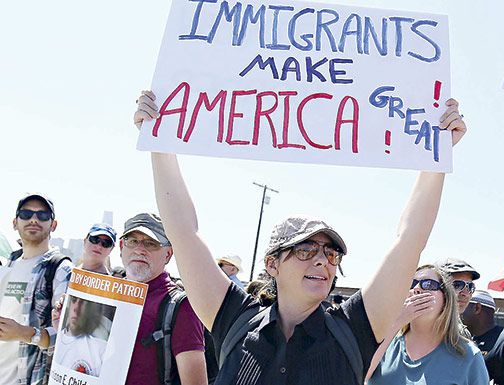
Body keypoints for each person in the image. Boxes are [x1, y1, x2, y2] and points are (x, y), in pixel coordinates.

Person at [134, 90, 467, 385]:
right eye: (306, 249)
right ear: (272, 264)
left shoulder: (355, 328)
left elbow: (410, 238)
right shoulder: (234, 318)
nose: (322, 260)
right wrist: (158, 143)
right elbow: (183, 231)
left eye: (331, 253)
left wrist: (437, 155)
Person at [119, 213, 207, 385]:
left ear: (168, 254)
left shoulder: (181, 306)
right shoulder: (105, 295)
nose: (140, 249)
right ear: (121, 246)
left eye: (151, 243)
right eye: (133, 241)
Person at [368, 265, 489, 385]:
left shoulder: (469, 356)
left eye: (428, 284)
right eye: (411, 283)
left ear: (446, 299)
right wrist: (398, 322)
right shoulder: (385, 343)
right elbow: (361, 373)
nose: (416, 289)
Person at [0, 193, 72, 385]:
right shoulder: (8, 265)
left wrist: (25, 333)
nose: (33, 219)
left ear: (53, 225)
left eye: (42, 215)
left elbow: (67, 335)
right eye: (26, 214)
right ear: (15, 223)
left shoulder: (61, 269)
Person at [55, 297, 109, 377]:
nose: (76, 308)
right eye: (73, 300)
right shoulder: (59, 337)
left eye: (84, 302)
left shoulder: (102, 349)